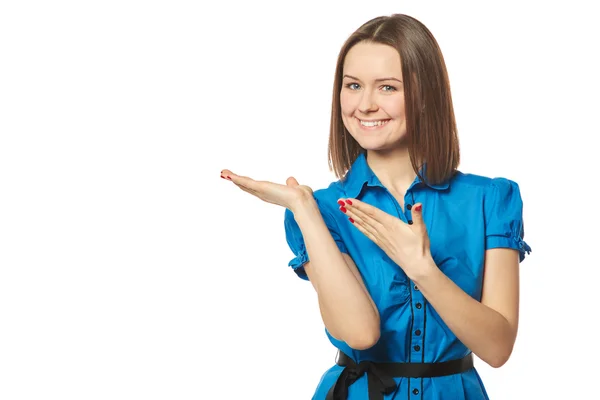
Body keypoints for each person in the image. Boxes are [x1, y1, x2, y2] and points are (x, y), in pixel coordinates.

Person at [220, 13, 531, 400]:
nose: (365, 105)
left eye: (387, 87)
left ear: (425, 95)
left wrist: (422, 270)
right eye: (353, 86)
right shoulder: (320, 211)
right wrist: (304, 209)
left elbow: (498, 348)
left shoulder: (489, 200)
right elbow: (360, 333)